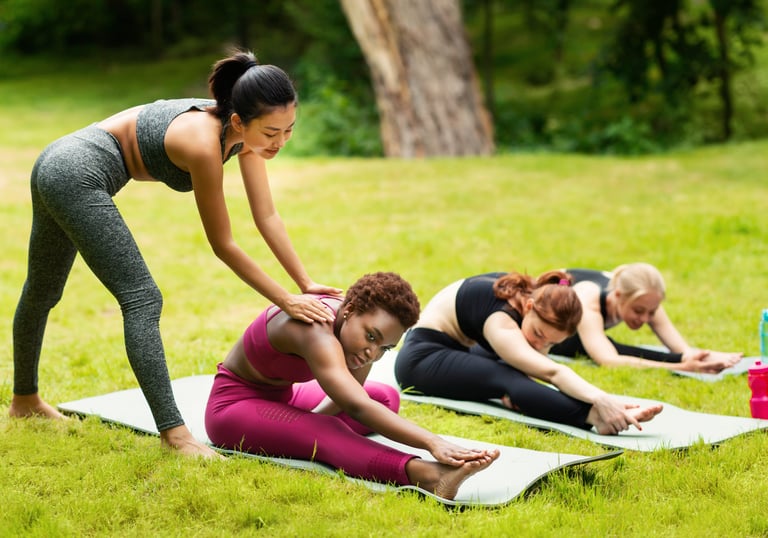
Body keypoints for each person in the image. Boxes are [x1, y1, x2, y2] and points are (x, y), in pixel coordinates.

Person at [10, 50, 342, 458]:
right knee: (142, 298)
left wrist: (304, 282)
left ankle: (25, 402)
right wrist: (286, 300)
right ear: (239, 121)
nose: (281, 142)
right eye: (272, 133)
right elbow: (223, 244)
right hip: (75, 173)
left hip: (58, 162)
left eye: (289, 129)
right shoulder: (205, 144)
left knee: (42, 290)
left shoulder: (245, 137)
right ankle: (175, 434)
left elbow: (266, 215)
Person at [205, 272, 499, 499]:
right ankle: (427, 476)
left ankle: (302, 429)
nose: (373, 352)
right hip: (232, 409)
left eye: (385, 347)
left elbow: (358, 396)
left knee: (384, 398)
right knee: (329, 429)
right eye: (371, 337)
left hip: (284, 398)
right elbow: (355, 405)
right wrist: (433, 442)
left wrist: (307, 421)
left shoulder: (358, 332)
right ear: (350, 310)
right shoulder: (314, 329)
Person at [394, 270, 664, 435]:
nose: (540, 346)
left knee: (515, 373)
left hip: (461, 350)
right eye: (538, 335)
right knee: (508, 378)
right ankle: (592, 418)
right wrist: (601, 401)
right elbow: (552, 371)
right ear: (530, 307)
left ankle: (596, 413)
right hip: (421, 359)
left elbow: (541, 362)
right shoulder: (500, 321)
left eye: (550, 344)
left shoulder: (529, 296)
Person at [549, 264, 743, 372]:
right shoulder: (588, 299)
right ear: (618, 296)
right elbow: (607, 360)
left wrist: (695, 356)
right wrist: (683, 366)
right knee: (603, 347)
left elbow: (679, 347)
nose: (644, 318)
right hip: (551, 330)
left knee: (611, 347)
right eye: (638, 311)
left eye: (651, 312)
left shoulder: (643, 296)